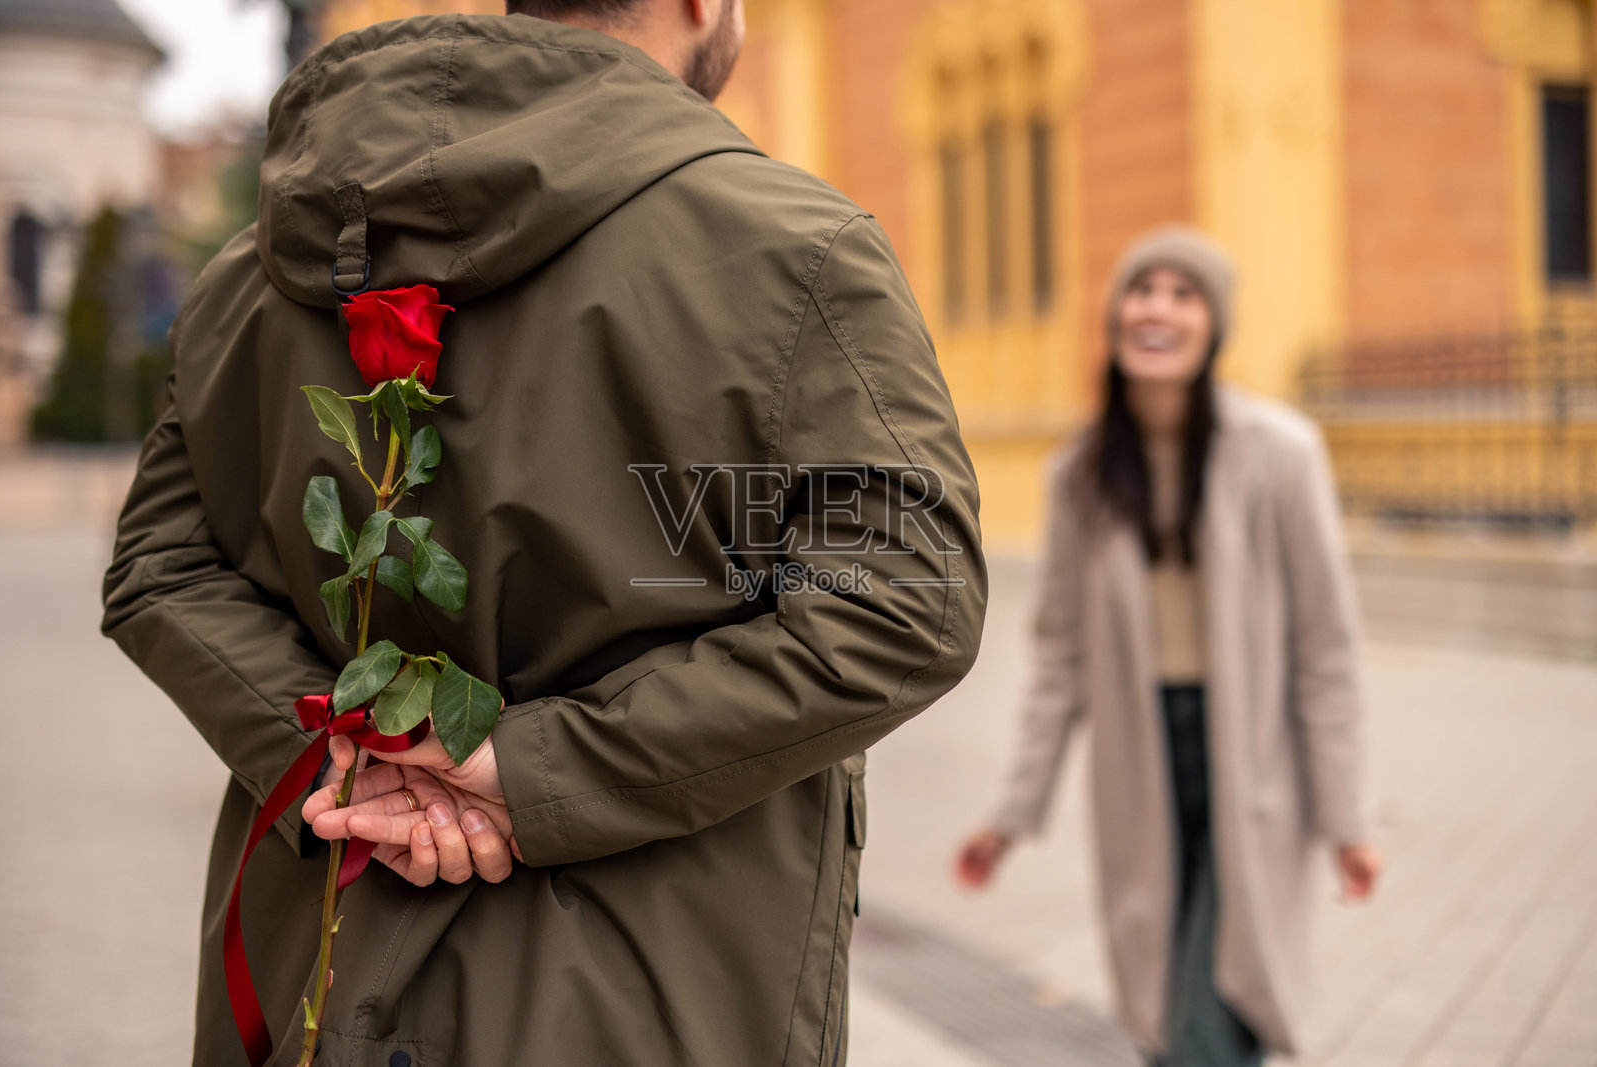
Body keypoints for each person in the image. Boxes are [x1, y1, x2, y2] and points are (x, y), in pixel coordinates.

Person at [101, 3, 987, 1064]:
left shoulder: (253, 271)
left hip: (321, 959)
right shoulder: (796, 251)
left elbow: (160, 564)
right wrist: (531, 773)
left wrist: (332, 758)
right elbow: (901, 598)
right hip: (660, 978)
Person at [953, 226, 1380, 1065]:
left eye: (1184, 293)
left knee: (1213, 1017)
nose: (1158, 307)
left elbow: (1328, 649)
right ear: (1116, 318)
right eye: (1141, 290)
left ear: (1213, 324)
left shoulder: (1281, 454)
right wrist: (1009, 815)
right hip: (1143, 755)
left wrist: (1347, 819)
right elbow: (1059, 660)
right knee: (1160, 1001)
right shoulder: (1078, 475)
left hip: (1253, 760)